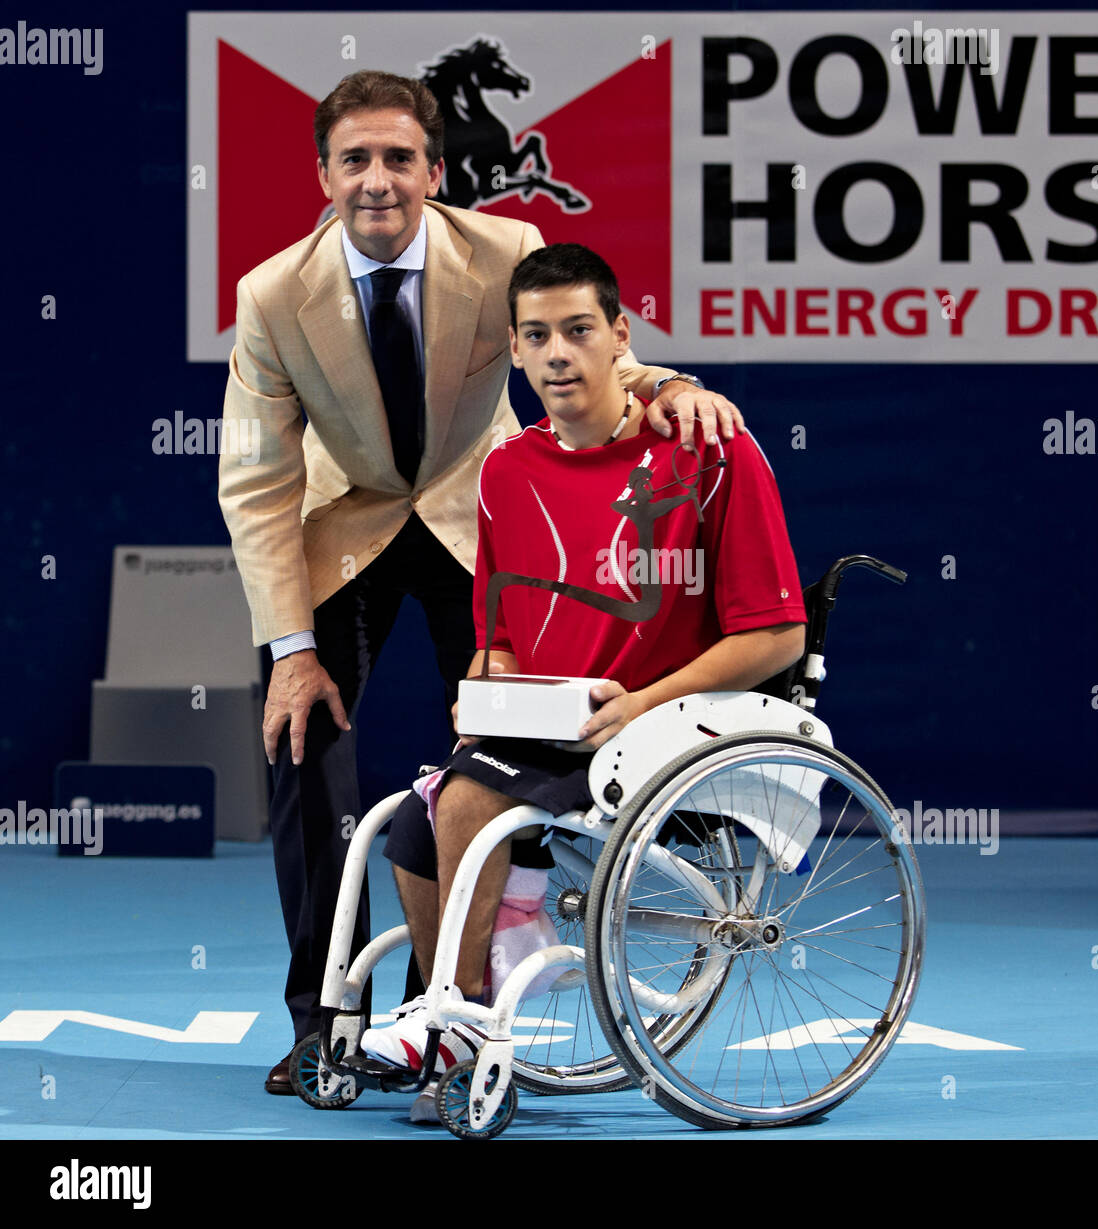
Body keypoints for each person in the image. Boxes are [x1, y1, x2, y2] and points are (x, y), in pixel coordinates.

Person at [215, 70, 742, 1094]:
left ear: (437, 171)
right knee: (299, 739)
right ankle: (323, 1014)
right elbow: (258, 479)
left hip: (479, 510)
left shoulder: (501, 252)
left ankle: (440, 1008)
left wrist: (668, 382)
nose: (379, 180)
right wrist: (291, 654)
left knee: (495, 757)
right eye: (356, 160)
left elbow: (576, 350)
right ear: (323, 176)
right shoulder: (273, 296)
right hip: (345, 523)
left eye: (400, 159)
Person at [362, 243, 807, 1120]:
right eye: (537, 336)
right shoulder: (506, 470)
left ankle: (453, 1027)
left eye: (577, 330)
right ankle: (466, 1019)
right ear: (517, 354)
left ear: (621, 338)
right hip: (553, 731)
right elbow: (501, 643)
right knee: (411, 830)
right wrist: (483, 691)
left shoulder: (711, 449)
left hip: (673, 731)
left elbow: (778, 633)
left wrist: (641, 700)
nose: (558, 353)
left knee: (460, 805)